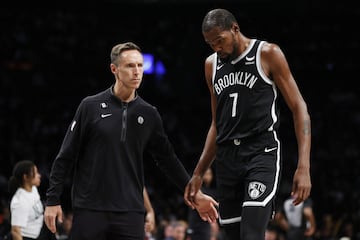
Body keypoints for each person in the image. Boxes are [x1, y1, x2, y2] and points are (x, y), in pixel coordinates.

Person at [44, 41, 218, 240]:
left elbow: (168, 160)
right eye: (130, 66)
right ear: (114, 69)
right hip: (90, 209)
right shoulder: (89, 106)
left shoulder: (149, 114)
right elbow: (66, 155)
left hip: (131, 212)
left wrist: (195, 193)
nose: (137, 71)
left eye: (140, 65)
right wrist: (52, 200)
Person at [184, 8, 312, 239]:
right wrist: (198, 172)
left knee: (251, 234)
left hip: (260, 152)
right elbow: (217, 123)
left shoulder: (268, 53)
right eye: (210, 44)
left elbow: (299, 107)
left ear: (235, 29)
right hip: (227, 159)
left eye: (219, 41)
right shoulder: (211, 65)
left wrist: (304, 166)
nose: (216, 48)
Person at [8, 160, 55, 240]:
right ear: (25, 177)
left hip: (40, 232)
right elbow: (15, 231)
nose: (39, 175)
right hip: (27, 237)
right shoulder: (19, 201)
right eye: (35, 173)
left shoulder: (33, 189)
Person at [187, 168, 220, 240]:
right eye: (205, 174)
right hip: (196, 223)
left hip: (206, 224)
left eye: (209, 174)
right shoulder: (198, 191)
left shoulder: (213, 191)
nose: (207, 177)